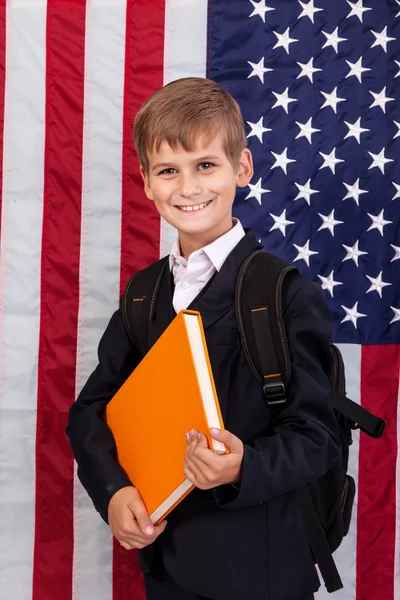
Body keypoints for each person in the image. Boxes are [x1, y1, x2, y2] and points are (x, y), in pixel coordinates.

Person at [66, 77, 341, 600]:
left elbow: (317, 436)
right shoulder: (144, 294)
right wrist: (114, 490)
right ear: (147, 183)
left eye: (205, 166)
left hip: (261, 571)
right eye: (169, 171)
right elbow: (91, 411)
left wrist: (244, 466)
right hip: (166, 566)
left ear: (242, 167)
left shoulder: (285, 294)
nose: (188, 188)